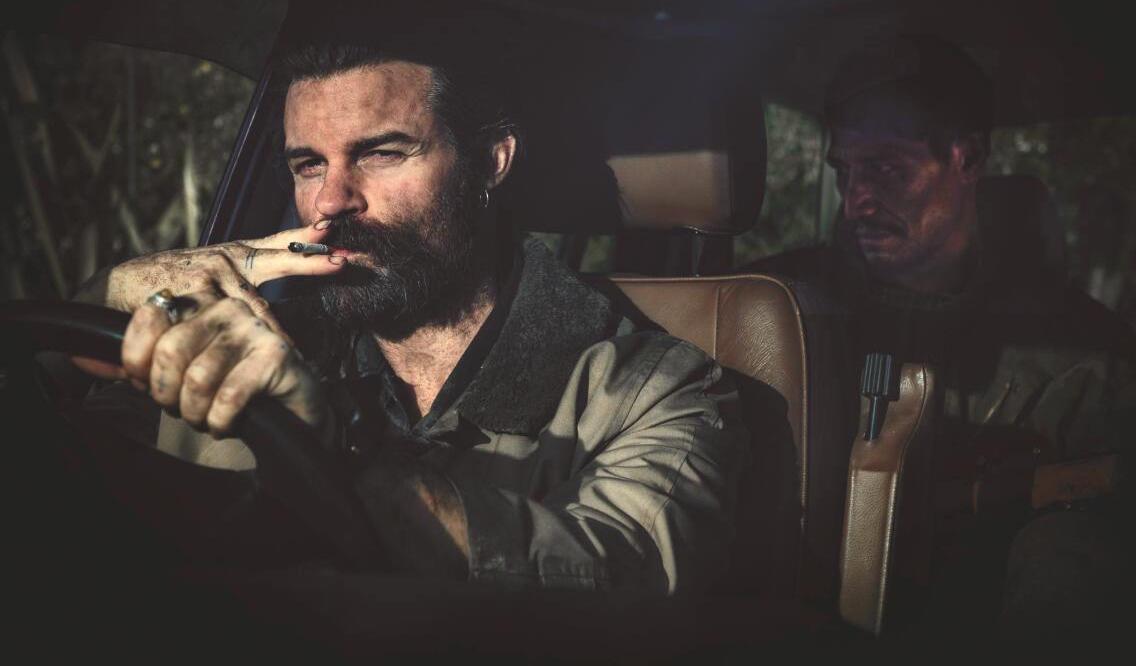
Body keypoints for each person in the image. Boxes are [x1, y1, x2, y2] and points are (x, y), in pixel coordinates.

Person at [73, 42, 747, 594]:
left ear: (490, 161)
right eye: (309, 164)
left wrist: (337, 454)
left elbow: (614, 588)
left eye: (380, 153)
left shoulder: (657, 389)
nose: (330, 201)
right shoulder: (275, 345)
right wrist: (112, 291)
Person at [745, 34, 1136, 640]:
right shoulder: (771, 310)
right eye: (846, 173)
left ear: (967, 158)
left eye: (888, 171)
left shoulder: (1089, 363)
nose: (855, 205)